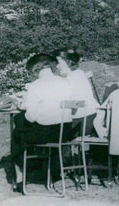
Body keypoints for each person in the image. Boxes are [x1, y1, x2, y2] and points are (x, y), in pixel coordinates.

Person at [8, 53, 74, 189]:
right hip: (66, 132)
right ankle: (51, 170)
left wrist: (23, 106)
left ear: (35, 70)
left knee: (17, 132)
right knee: (25, 123)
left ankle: (20, 176)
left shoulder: (35, 86)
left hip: (46, 134)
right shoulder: (65, 82)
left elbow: (31, 117)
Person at [53, 48, 100, 136]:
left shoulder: (71, 79)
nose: (56, 66)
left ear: (69, 62)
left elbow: (78, 104)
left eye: (59, 63)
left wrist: (56, 104)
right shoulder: (79, 74)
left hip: (83, 122)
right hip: (92, 118)